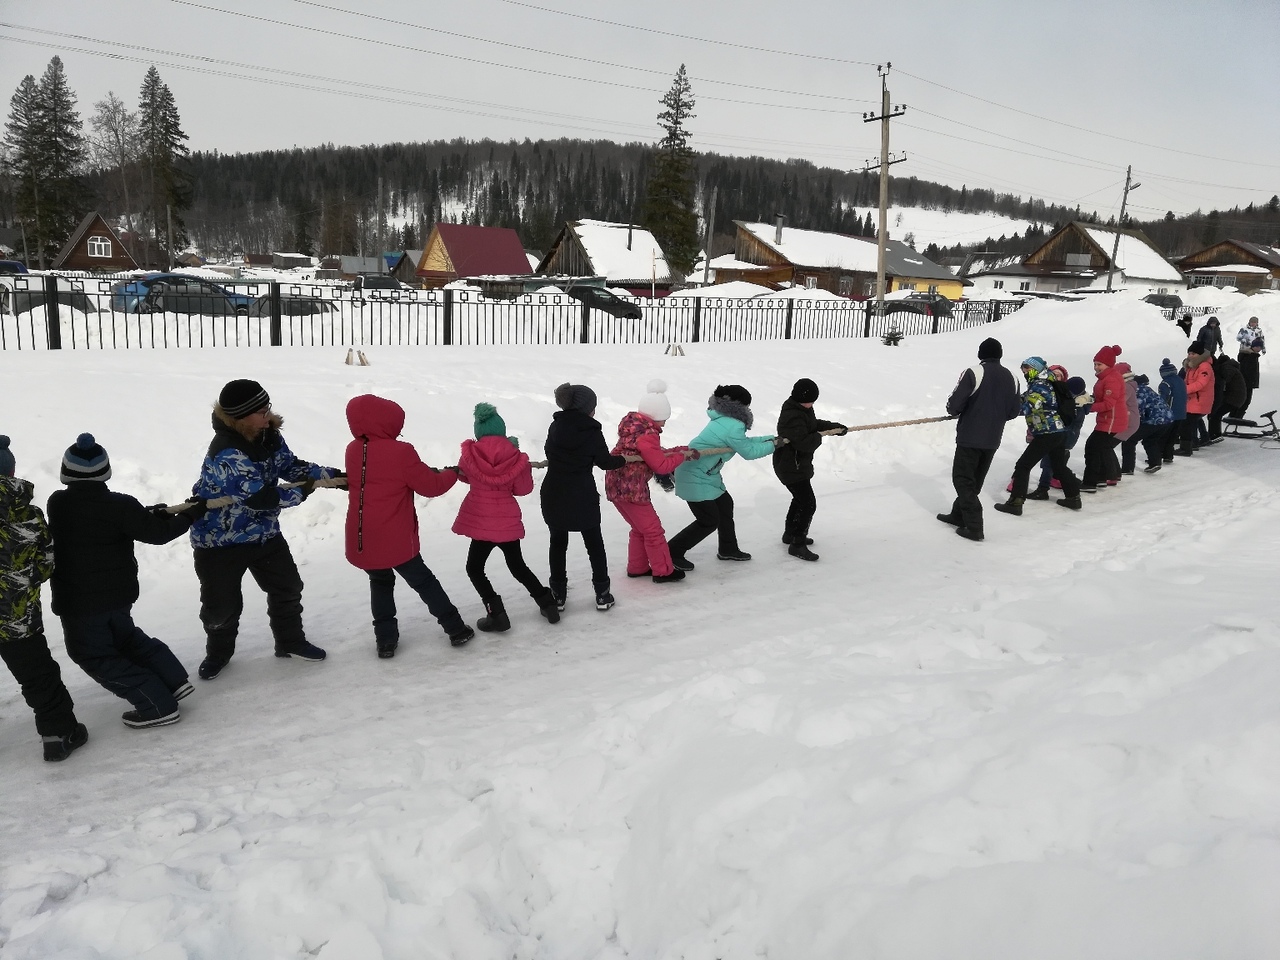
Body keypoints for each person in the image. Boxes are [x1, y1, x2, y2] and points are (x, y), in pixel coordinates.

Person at [190, 380, 345, 681]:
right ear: (240, 417)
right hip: (219, 541)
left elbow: (290, 466)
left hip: (263, 534)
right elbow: (260, 498)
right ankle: (218, 653)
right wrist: (303, 492)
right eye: (261, 411)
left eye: (267, 408)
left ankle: (290, 641)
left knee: (288, 588)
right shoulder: (227, 453)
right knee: (221, 608)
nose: (268, 415)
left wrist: (333, 477)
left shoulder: (266, 434)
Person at [47, 434, 205, 729]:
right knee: (126, 639)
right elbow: (155, 532)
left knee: (93, 654)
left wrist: (149, 513)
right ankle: (173, 682)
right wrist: (191, 515)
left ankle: (157, 706)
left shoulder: (58, 503)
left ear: (66, 472)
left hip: (80, 601)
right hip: (118, 596)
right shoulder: (121, 505)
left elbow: (96, 516)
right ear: (105, 471)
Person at [344, 394, 475, 658]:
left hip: (362, 537)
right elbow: (431, 486)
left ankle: (385, 641)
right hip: (395, 537)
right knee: (424, 582)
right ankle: (455, 628)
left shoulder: (353, 449)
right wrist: (452, 473)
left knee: (380, 582)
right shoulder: (401, 452)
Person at [0, 436, 87, 761]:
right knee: (39, 678)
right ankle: (59, 736)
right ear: (11, 473)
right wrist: (21, 584)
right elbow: (46, 564)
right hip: (17, 619)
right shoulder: (28, 515)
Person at [453, 402, 560, 632]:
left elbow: (464, 476)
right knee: (518, 566)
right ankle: (548, 603)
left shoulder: (470, 454)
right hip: (506, 521)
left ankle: (497, 614)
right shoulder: (515, 456)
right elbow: (523, 490)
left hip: (482, 522)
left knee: (474, 568)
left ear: (478, 430)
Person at [669, 384, 782, 565]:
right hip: (695, 475)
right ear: (740, 406)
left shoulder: (724, 419)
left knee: (725, 504)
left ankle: (728, 548)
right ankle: (672, 552)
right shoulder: (733, 425)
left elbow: (743, 443)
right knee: (708, 520)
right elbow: (748, 452)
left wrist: (770, 439)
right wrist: (774, 445)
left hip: (704, 474)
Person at [542, 383, 627, 612]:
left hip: (554, 492)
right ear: (587, 408)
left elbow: (548, 451)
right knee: (594, 544)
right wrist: (624, 459)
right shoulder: (591, 430)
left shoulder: (556, 426)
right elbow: (604, 462)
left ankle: (558, 595)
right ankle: (602, 594)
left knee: (557, 543)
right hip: (581, 494)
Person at [605, 380, 697, 583]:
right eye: (663, 418)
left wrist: (679, 451)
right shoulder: (648, 434)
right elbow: (660, 465)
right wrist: (681, 457)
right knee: (654, 531)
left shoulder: (633, 428)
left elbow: (652, 454)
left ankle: (637, 567)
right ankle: (664, 571)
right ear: (655, 415)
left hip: (616, 485)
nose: (664, 423)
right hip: (631, 488)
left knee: (640, 529)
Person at [936, 338, 1020, 541]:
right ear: (999, 354)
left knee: (962, 479)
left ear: (980, 354)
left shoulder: (974, 372)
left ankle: (974, 526)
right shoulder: (1013, 377)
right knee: (974, 481)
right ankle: (958, 515)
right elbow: (1014, 411)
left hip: (970, 436)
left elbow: (954, 405)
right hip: (993, 438)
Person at [994, 357, 1082, 515]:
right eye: (1023, 370)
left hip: (1046, 433)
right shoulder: (1046, 382)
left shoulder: (1039, 385)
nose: (1025, 372)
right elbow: (1025, 398)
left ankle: (1015, 503)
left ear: (1036, 369)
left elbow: (1029, 406)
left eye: (1027, 369)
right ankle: (1073, 497)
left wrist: (1003, 412)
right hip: (1058, 431)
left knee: (1023, 465)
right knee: (1059, 466)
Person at [773, 378, 848, 561]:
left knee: (800, 500)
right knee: (808, 503)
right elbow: (804, 443)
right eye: (809, 401)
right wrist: (819, 436)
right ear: (799, 398)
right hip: (790, 466)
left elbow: (812, 424)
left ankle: (790, 534)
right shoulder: (792, 415)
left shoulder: (802, 409)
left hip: (796, 464)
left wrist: (833, 427)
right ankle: (797, 544)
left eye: (813, 401)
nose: (811, 404)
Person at [1080, 345, 1129, 493]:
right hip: (1107, 420)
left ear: (1108, 364)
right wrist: (1089, 400)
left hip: (1112, 420)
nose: (1096, 367)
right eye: (1095, 364)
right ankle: (1100, 479)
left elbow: (1108, 404)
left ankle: (1090, 482)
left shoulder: (1111, 379)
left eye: (1099, 364)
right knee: (1099, 448)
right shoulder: (1105, 378)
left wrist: (1089, 407)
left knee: (1092, 448)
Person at [1124, 374, 1176, 474]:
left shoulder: (1137, 390)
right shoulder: (1145, 388)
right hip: (1167, 418)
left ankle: (1127, 468)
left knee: (1129, 439)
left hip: (1154, 419)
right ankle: (1155, 462)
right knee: (1150, 440)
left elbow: (1138, 408)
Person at [1179, 343, 1215, 456]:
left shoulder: (1204, 366)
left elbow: (1200, 383)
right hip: (1192, 400)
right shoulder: (1191, 367)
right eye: (1189, 353)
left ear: (1199, 355)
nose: (1190, 356)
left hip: (1200, 400)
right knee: (1187, 422)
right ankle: (1190, 445)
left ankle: (1187, 448)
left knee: (1187, 423)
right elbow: (1186, 382)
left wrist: (1184, 390)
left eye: (1193, 354)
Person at [1208, 351, 1247, 439]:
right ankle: (1215, 434)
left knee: (1215, 414)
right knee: (1215, 414)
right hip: (1236, 398)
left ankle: (1214, 435)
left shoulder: (1227, 368)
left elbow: (1225, 381)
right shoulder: (1230, 367)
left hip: (1233, 398)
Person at [1112, 362, 1140, 480]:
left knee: (1106, 446)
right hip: (1128, 421)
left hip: (1128, 422)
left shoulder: (1127, 386)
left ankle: (1114, 473)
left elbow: (1119, 401)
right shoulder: (1127, 385)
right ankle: (1121, 470)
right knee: (1107, 446)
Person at [1158, 357, 1188, 463]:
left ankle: (1157, 457)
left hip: (1169, 414)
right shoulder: (1180, 380)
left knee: (1162, 436)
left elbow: (1163, 399)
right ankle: (1168, 456)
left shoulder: (1165, 383)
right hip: (1181, 412)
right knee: (1172, 436)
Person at [1236, 316, 1265, 412]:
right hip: (1245, 350)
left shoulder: (1259, 331)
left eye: (1255, 322)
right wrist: (1248, 341)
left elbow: (1262, 340)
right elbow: (1239, 337)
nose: (1253, 324)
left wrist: (1263, 348)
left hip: (1254, 351)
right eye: (1252, 322)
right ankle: (1236, 413)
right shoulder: (1244, 329)